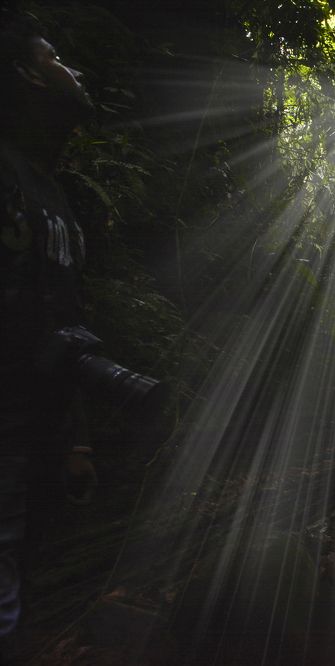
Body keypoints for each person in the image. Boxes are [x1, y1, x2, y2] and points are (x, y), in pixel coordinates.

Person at [0, 12, 99, 658]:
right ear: (23, 78)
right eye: (54, 58)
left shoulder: (59, 198)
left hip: (35, 435)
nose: (72, 71)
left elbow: (70, 324)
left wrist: (78, 440)